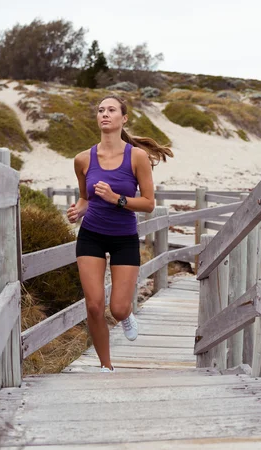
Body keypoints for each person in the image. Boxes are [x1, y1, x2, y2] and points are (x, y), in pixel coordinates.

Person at [66, 95, 173, 373]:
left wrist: (118, 199)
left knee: (118, 308)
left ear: (123, 118)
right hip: (91, 235)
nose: (104, 114)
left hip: (124, 237)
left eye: (111, 110)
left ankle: (126, 317)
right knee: (93, 305)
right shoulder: (82, 159)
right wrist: (77, 210)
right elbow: (84, 198)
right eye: (100, 110)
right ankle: (106, 366)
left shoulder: (137, 157)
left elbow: (149, 204)